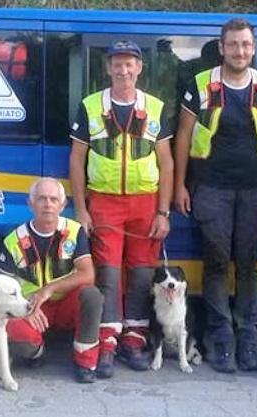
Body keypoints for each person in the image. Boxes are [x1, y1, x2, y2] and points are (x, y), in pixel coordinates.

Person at [174, 17, 257, 373]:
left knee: (249, 265)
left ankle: (249, 341)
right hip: (210, 188)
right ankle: (222, 342)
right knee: (216, 264)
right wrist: (179, 184)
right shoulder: (200, 84)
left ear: (253, 49)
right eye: (233, 44)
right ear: (221, 48)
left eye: (246, 44)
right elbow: (182, 135)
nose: (240, 50)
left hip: (255, 187)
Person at [69, 39, 174, 378]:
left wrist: (163, 212)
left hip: (146, 202)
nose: (123, 69)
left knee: (142, 274)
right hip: (104, 201)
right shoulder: (90, 106)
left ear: (139, 68)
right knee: (109, 276)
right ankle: (108, 343)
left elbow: (168, 163)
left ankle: (134, 339)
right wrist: (81, 209)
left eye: (130, 63)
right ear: (108, 67)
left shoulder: (156, 108)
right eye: (117, 62)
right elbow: (77, 159)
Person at [4, 177, 104, 383]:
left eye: (53, 199)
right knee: (10, 328)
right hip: (32, 307)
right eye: (41, 199)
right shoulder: (13, 239)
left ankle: (85, 362)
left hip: (66, 303)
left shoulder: (75, 232)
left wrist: (49, 289)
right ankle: (35, 352)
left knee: (92, 295)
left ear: (62, 204)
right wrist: (24, 308)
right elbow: (4, 288)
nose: (48, 204)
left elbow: (88, 274)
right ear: (30, 204)